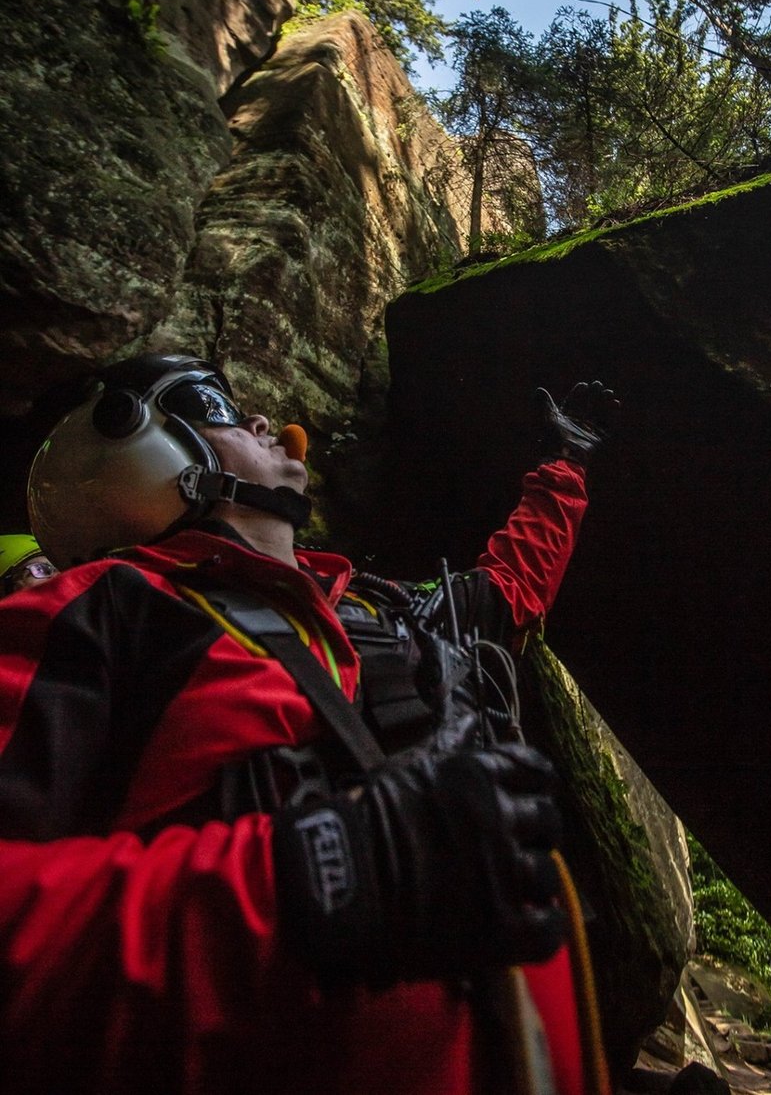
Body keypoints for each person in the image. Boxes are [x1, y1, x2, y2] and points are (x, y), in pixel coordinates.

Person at [0, 352, 619, 1095]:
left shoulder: (379, 611)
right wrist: (312, 882)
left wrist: (566, 465)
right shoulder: (93, 613)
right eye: (214, 405)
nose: (266, 421)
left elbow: (510, 590)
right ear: (134, 454)